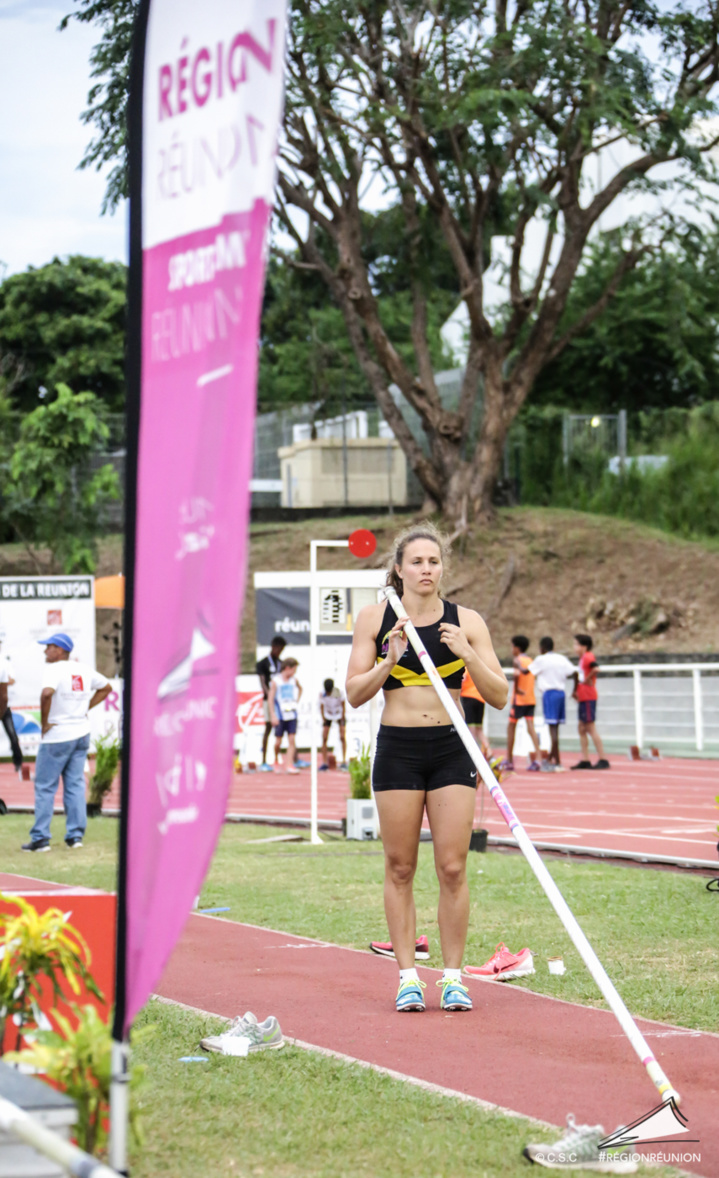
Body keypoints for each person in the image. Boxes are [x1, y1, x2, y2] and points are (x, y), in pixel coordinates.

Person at [346, 522, 508, 1014]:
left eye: (433, 562)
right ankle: (408, 977)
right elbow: (354, 694)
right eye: (416, 561)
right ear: (398, 568)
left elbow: (499, 695)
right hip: (398, 747)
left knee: (453, 867)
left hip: (451, 747)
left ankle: (454, 978)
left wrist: (466, 654)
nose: (426, 569)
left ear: (442, 569)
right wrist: (389, 659)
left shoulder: (467, 621)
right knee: (400, 866)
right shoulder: (375, 619)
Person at [22, 633, 112, 852]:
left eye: (49, 647)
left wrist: (44, 723)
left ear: (60, 650)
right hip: (81, 733)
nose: (46, 651)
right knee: (75, 785)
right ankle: (75, 837)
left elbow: (46, 694)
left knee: (45, 787)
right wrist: (85, 708)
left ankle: (41, 838)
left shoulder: (54, 670)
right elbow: (106, 687)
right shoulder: (83, 669)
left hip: (57, 735)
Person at [528, 636, 575, 769]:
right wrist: (575, 690)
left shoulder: (541, 659)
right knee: (556, 727)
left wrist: (519, 664)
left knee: (552, 728)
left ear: (542, 648)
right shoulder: (561, 658)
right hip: (561, 693)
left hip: (549, 694)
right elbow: (575, 672)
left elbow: (528, 671)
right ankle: (556, 759)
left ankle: (550, 759)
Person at [502, 636, 542, 772]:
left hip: (519, 699)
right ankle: (538, 758)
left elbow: (518, 675)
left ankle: (509, 760)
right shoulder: (530, 660)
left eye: (512, 647)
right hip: (530, 698)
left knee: (511, 727)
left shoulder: (517, 660)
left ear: (517, 648)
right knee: (531, 728)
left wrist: (518, 688)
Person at [571, 634, 610, 770]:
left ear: (584, 646)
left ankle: (603, 758)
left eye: (576, 645)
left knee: (590, 727)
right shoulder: (582, 659)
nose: (574, 648)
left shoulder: (588, 656)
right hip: (583, 696)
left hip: (588, 696)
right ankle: (585, 759)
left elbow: (596, 668)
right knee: (581, 728)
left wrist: (588, 679)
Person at [267, 658, 302, 775]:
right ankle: (276, 760)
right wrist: (273, 715)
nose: (294, 673)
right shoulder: (276, 681)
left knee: (292, 740)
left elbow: (301, 688)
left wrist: (296, 701)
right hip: (280, 714)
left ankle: (289, 764)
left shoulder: (294, 680)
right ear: (287, 668)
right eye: (294, 670)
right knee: (278, 741)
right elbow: (271, 699)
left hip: (292, 713)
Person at [256, 635, 286, 770]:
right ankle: (263, 761)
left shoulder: (281, 663)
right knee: (268, 727)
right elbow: (263, 683)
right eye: (279, 649)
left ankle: (285, 758)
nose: (280, 652)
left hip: (281, 701)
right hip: (268, 700)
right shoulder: (262, 663)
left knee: (285, 727)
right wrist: (270, 697)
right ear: (274, 647)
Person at [0, 643, 23, 777]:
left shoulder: (4, 663)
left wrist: (2, 682)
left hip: (3, 706)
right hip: (3, 701)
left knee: (13, 736)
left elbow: (12, 680)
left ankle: (18, 761)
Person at [460, 669, 490, 758]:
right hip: (480, 698)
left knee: (471, 729)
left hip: (469, 698)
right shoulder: (476, 668)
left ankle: (475, 756)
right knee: (479, 729)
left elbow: (463, 678)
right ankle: (489, 753)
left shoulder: (465, 668)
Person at [319, 678, 347, 770]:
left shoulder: (338, 692)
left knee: (342, 737)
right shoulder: (322, 693)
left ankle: (343, 761)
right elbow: (321, 706)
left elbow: (343, 704)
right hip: (328, 715)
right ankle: (324, 762)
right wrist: (323, 718)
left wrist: (342, 717)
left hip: (338, 714)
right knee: (324, 737)